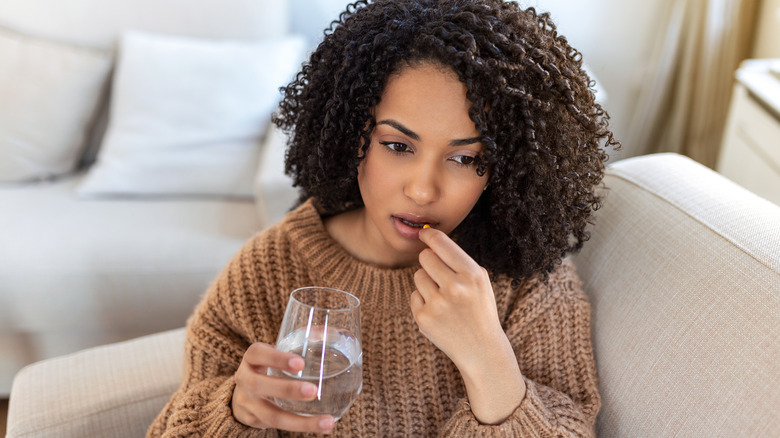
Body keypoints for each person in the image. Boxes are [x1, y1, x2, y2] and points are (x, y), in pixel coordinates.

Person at [148, 0, 618, 436]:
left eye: (465, 158)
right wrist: (234, 411)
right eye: (398, 146)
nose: (422, 189)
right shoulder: (268, 272)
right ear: (355, 140)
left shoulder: (527, 285)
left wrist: (488, 360)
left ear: (502, 169)